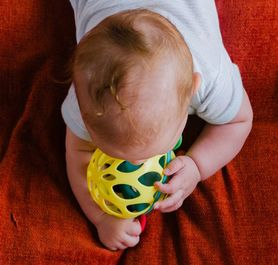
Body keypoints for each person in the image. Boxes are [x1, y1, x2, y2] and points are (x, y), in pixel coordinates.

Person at [62, 0, 253, 251]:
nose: (138, 165)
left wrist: (197, 165)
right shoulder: (87, 97)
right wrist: (102, 218)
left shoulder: (211, 77)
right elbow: (76, 152)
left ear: (192, 91)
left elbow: (240, 120)